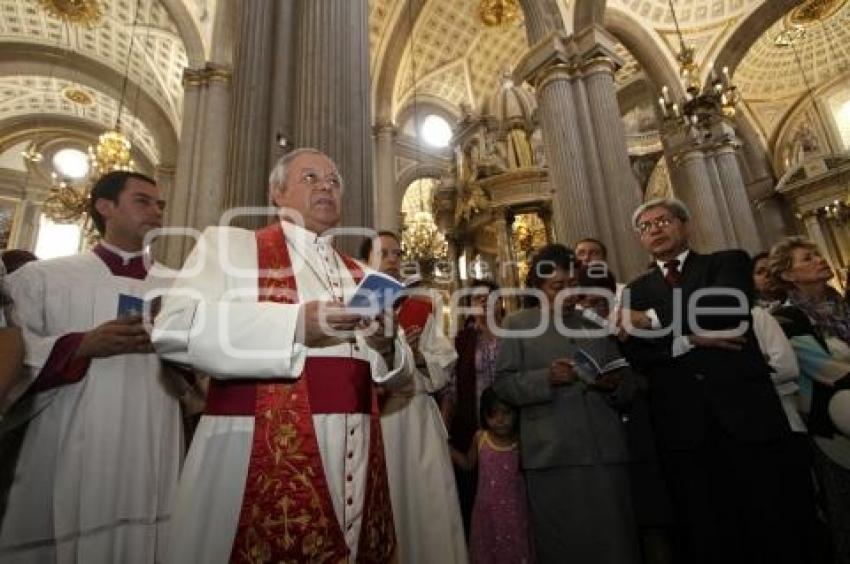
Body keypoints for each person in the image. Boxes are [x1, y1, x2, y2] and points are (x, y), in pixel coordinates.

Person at [152, 148, 408, 563]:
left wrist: (388, 344)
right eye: (310, 177)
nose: (327, 185)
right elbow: (174, 329)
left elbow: (396, 378)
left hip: (360, 462)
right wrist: (292, 326)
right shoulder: (231, 246)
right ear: (276, 192)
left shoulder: (361, 273)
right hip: (251, 453)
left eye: (334, 180)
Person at [0, 171, 183, 563]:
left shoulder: (181, 286)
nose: (156, 211)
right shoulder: (43, 278)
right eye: (142, 201)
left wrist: (181, 353)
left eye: (160, 205)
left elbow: (201, 371)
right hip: (68, 433)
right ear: (105, 207)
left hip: (152, 432)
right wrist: (78, 345)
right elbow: (12, 350)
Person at [618, 197, 805, 564]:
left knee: (772, 522)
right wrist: (689, 340)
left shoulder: (727, 262)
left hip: (747, 418)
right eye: (645, 226)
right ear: (640, 238)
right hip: (682, 426)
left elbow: (724, 306)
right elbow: (638, 356)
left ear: (685, 225)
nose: (655, 229)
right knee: (706, 530)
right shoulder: (633, 292)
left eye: (664, 221)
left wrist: (652, 319)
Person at [494, 244, 641, 564]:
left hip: (604, 449)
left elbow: (627, 380)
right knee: (564, 545)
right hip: (552, 453)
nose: (567, 293)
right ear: (537, 288)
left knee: (617, 542)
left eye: (573, 285)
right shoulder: (517, 324)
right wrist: (545, 378)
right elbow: (503, 385)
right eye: (557, 287)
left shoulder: (593, 322)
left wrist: (614, 385)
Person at [363, 231, 467, 564]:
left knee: (427, 502)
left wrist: (417, 355)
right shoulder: (354, 309)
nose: (393, 260)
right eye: (385, 254)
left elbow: (445, 361)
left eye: (397, 253)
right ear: (366, 261)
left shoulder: (420, 307)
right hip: (374, 416)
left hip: (417, 416)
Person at [768, 237, 850, 563]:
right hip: (830, 427)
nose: (819, 259)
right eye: (807, 258)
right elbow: (827, 368)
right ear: (788, 276)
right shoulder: (786, 320)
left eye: (817, 254)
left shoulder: (843, 306)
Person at [443, 279, 502, 532]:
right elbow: (452, 389)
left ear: (501, 302)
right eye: (478, 299)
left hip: (511, 427)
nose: (485, 302)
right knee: (476, 500)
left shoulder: (514, 333)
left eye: (490, 297)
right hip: (472, 429)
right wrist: (442, 430)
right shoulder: (462, 340)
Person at [451, 387, 533, 564]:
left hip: (515, 517)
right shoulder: (481, 438)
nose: (500, 420)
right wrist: (443, 445)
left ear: (516, 414)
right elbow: (467, 464)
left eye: (506, 413)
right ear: (484, 416)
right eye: (493, 414)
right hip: (485, 515)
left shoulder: (521, 441)